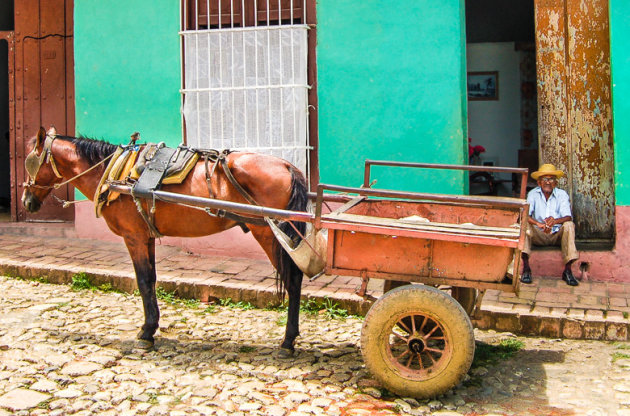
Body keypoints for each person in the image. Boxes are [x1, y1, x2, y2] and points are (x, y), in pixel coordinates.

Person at [520, 164, 579, 286]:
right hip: (538, 235)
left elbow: (568, 216)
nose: (548, 182)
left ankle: (567, 271)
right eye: (545, 179)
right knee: (524, 224)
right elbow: (525, 215)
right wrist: (538, 224)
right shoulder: (533, 194)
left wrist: (555, 221)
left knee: (569, 225)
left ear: (555, 183)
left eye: (551, 179)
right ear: (539, 182)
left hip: (556, 235)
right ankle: (526, 269)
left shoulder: (562, 195)